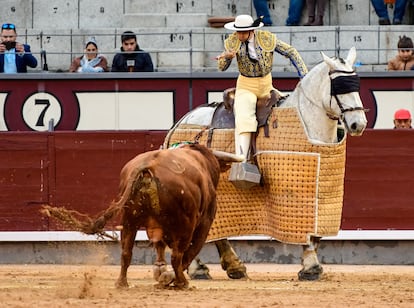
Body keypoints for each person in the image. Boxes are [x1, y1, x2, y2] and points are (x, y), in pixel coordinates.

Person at [216, 14, 307, 163]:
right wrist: (227, 58)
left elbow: (290, 51)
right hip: (246, 86)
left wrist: (304, 76)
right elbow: (221, 68)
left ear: (252, 30)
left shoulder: (266, 38)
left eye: (243, 32)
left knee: (288, 108)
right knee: (244, 116)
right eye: (238, 31)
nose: (239, 35)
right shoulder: (232, 42)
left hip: (266, 85)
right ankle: (242, 158)